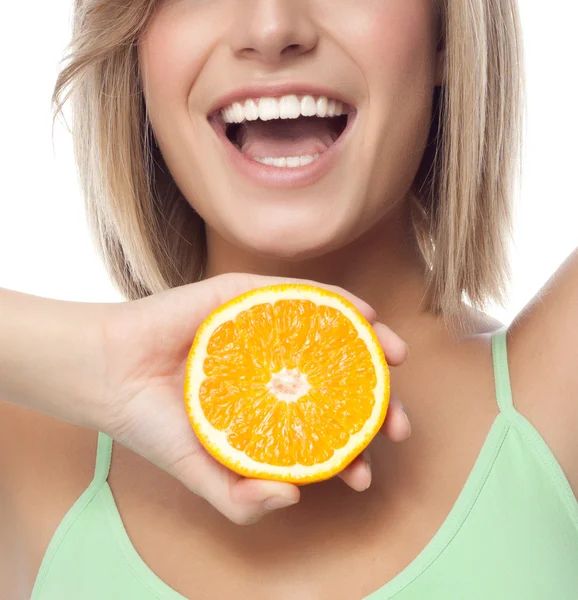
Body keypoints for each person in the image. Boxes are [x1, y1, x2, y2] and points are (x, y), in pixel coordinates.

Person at [1, 0, 577, 598]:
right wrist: (96, 355)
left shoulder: (558, 399)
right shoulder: (24, 449)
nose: (272, 29)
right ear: (134, 50)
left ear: (445, 33)